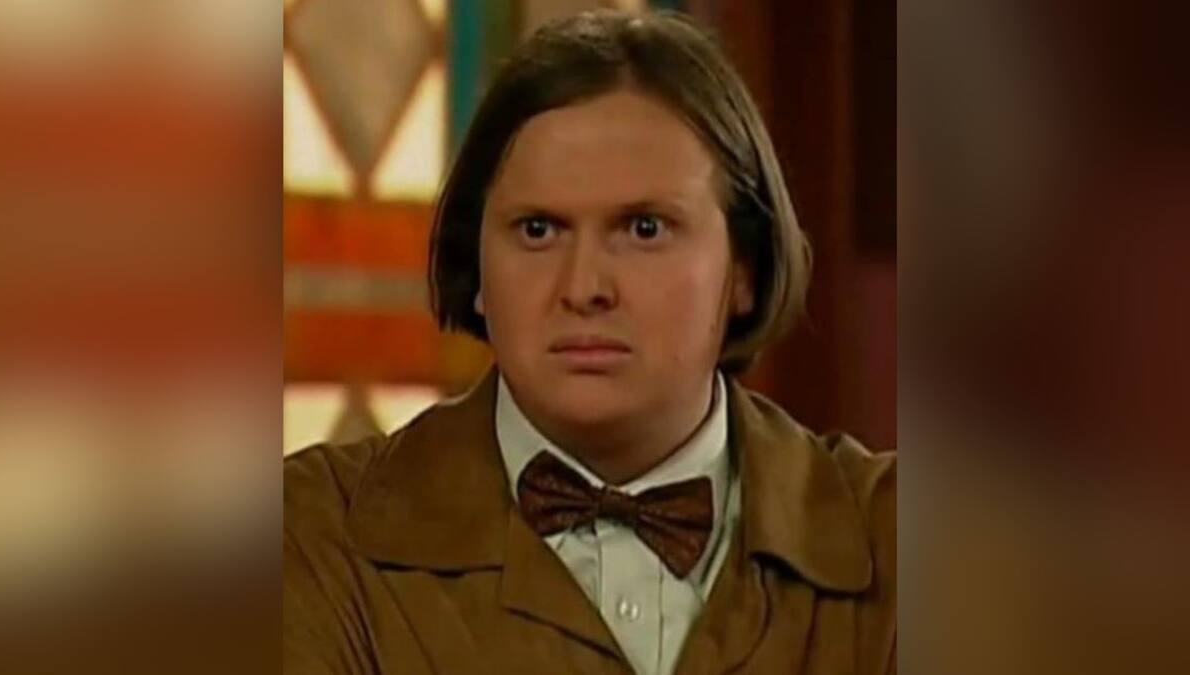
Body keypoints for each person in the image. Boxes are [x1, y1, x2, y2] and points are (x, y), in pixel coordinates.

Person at [284, 9, 895, 675]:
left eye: (644, 229)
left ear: (743, 268)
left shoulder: (904, 537)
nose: (584, 288)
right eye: (538, 230)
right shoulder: (311, 532)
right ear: (478, 269)